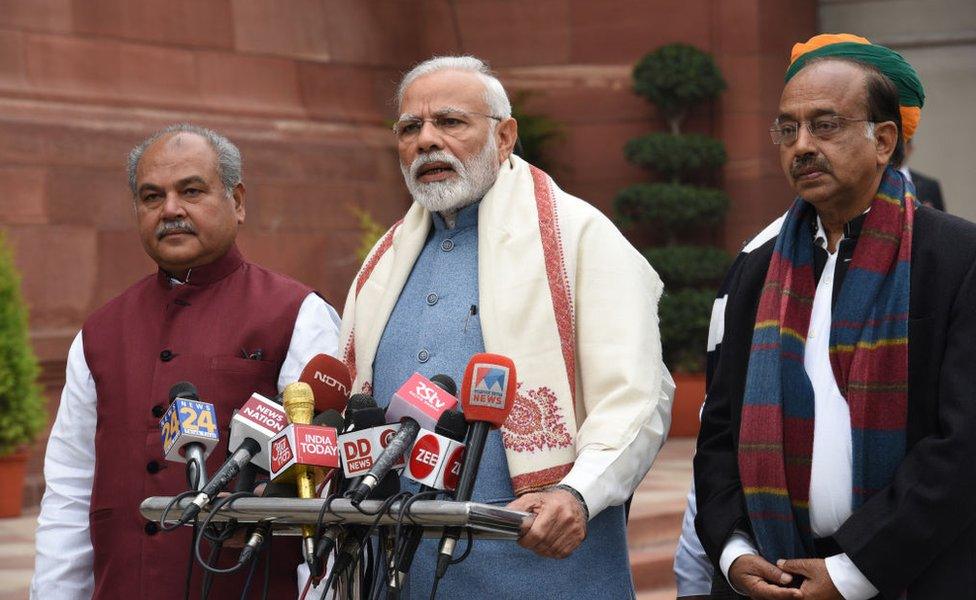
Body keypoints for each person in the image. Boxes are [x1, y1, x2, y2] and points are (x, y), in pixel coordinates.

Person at [337, 55, 674, 598]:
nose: (426, 141)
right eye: (409, 128)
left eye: (449, 122)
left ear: (505, 136)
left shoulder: (579, 237)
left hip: (538, 564)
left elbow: (639, 399)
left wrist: (578, 494)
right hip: (400, 572)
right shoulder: (384, 259)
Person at [694, 33, 976, 600]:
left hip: (910, 577)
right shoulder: (757, 269)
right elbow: (718, 431)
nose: (801, 146)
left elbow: (962, 445)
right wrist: (732, 551)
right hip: (770, 572)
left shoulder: (954, 259)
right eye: (787, 128)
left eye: (825, 125)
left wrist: (854, 572)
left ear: (883, 140)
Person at [30, 124, 341, 599]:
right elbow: (70, 492)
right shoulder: (99, 333)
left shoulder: (297, 314)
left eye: (191, 191)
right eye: (152, 196)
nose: (171, 209)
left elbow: (322, 496)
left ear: (237, 202)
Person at [899, 139, 945, 211]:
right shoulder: (877, 181)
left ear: (910, 149)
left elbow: (942, 220)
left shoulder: (930, 186)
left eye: (899, 146)